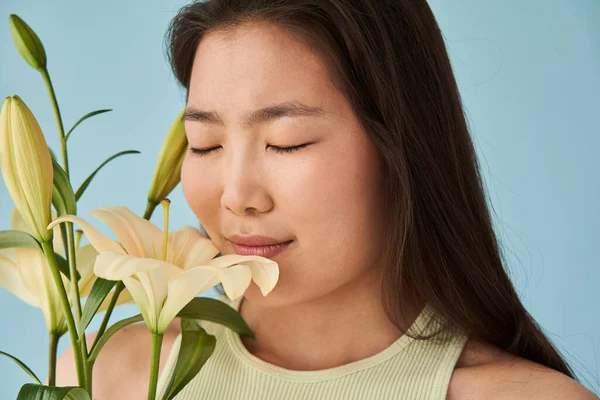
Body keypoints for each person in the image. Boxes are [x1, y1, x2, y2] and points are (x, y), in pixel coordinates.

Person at [56, 0, 598, 398]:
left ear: (401, 151)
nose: (237, 196)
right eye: (206, 144)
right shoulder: (107, 375)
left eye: (286, 142)